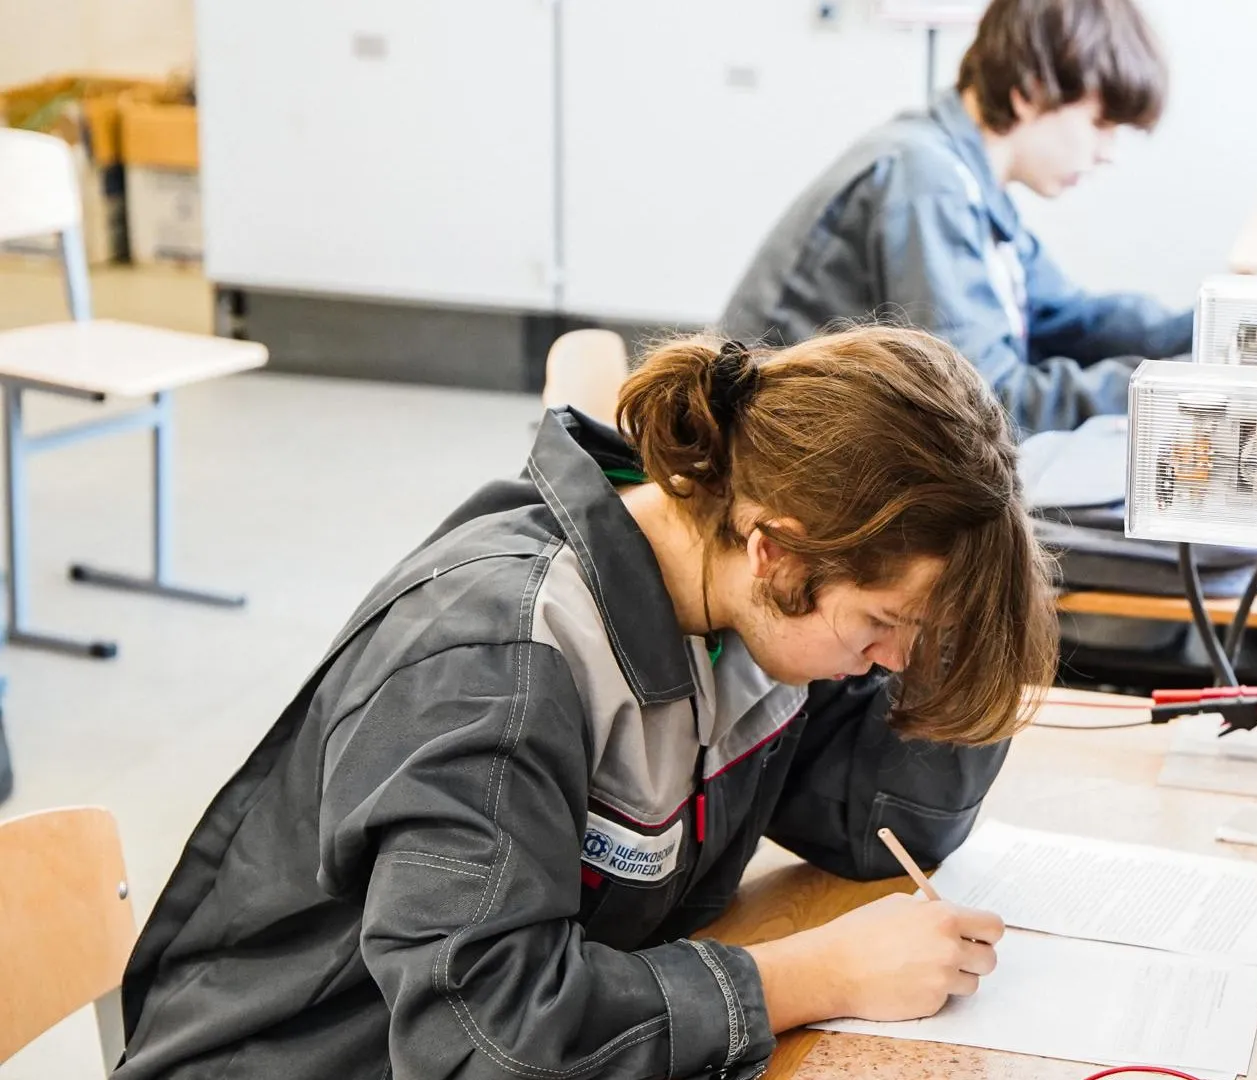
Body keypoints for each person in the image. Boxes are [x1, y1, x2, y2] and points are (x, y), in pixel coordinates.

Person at [113, 327, 1058, 1080]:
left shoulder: (731, 601)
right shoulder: (499, 659)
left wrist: (971, 633)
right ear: (778, 550)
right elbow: (483, 1042)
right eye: (882, 624)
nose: (888, 664)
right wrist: (815, 976)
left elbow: (874, 824)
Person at [721, 0, 1191, 437]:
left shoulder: (966, 177)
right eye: (1100, 125)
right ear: (1031, 91)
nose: (1108, 153)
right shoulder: (927, 179)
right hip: (769, 456)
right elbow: (985, 408)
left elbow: (1069, 319)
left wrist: (1202, 332)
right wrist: (1163, 385)